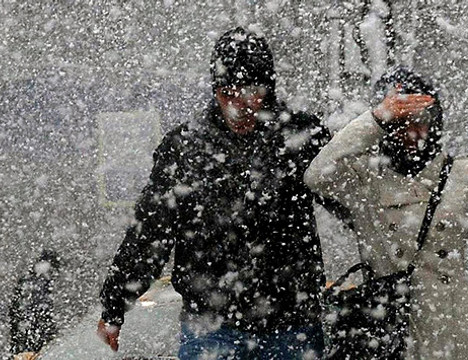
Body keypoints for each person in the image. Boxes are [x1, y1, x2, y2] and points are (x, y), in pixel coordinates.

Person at [98, 27, 332, 359]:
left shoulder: (301, 137)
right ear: (214, 90)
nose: (239, 106)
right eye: (227, 93)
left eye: (250, 91)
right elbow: (151, 232)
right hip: (211, 328)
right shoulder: (185, 147)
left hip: (291, 326)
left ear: (268, 88)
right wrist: (114, 304)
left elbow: (353, 201)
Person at [304, 66, 468, 359]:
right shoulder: (363, 177)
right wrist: (374, 119)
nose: (413, 132)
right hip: (390, 338)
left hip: (455, 341)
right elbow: (315, 176)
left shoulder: (464, 176)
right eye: (400, 122)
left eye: (422, 120)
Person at [9, 250, 61, 355]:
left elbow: (16, 307)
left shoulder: (28, 278)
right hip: (32, 329)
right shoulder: (41, 280)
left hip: (24, 329)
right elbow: (40, 307)